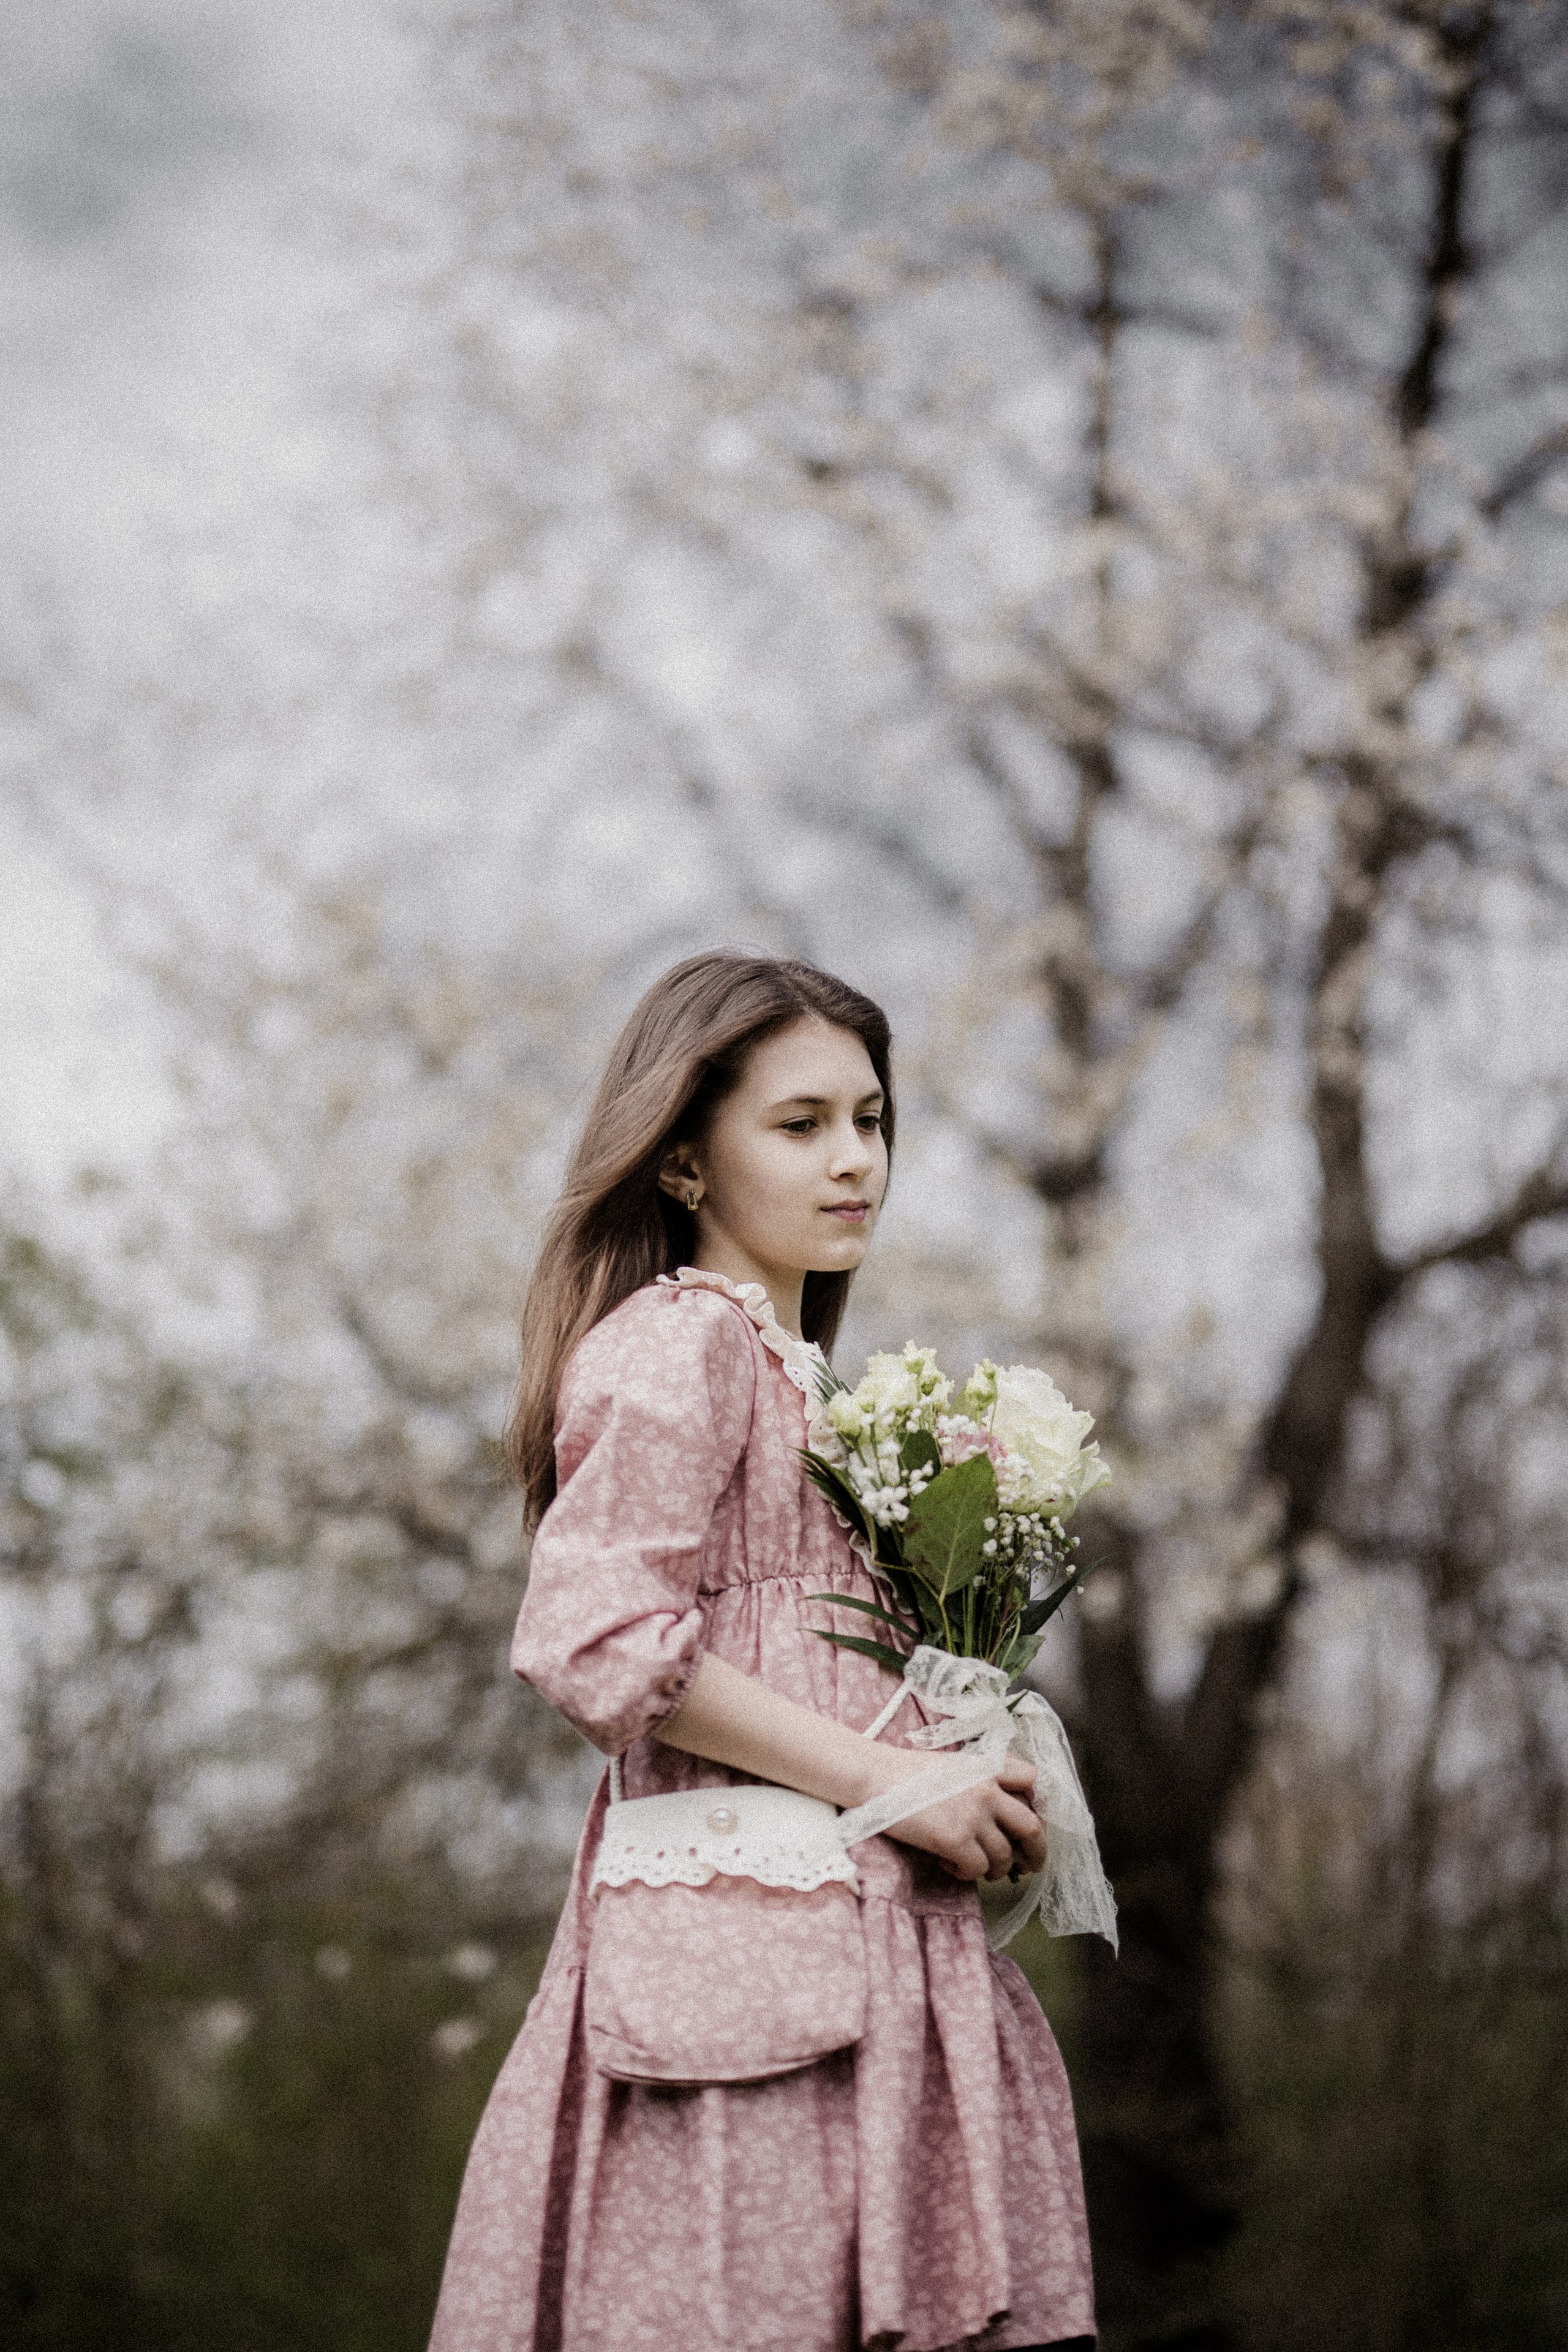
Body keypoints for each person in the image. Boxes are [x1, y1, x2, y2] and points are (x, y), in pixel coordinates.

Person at [428, 950, 1096, 2352]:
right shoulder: (683, 1342)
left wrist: (963, 1768)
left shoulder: (815, 1391)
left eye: (869, 1120)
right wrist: (891, 1781)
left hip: (864, 1957)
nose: (854, 1160)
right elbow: (593, 1637)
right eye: (800, 1125)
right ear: (682, 1162)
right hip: (747, 1979)